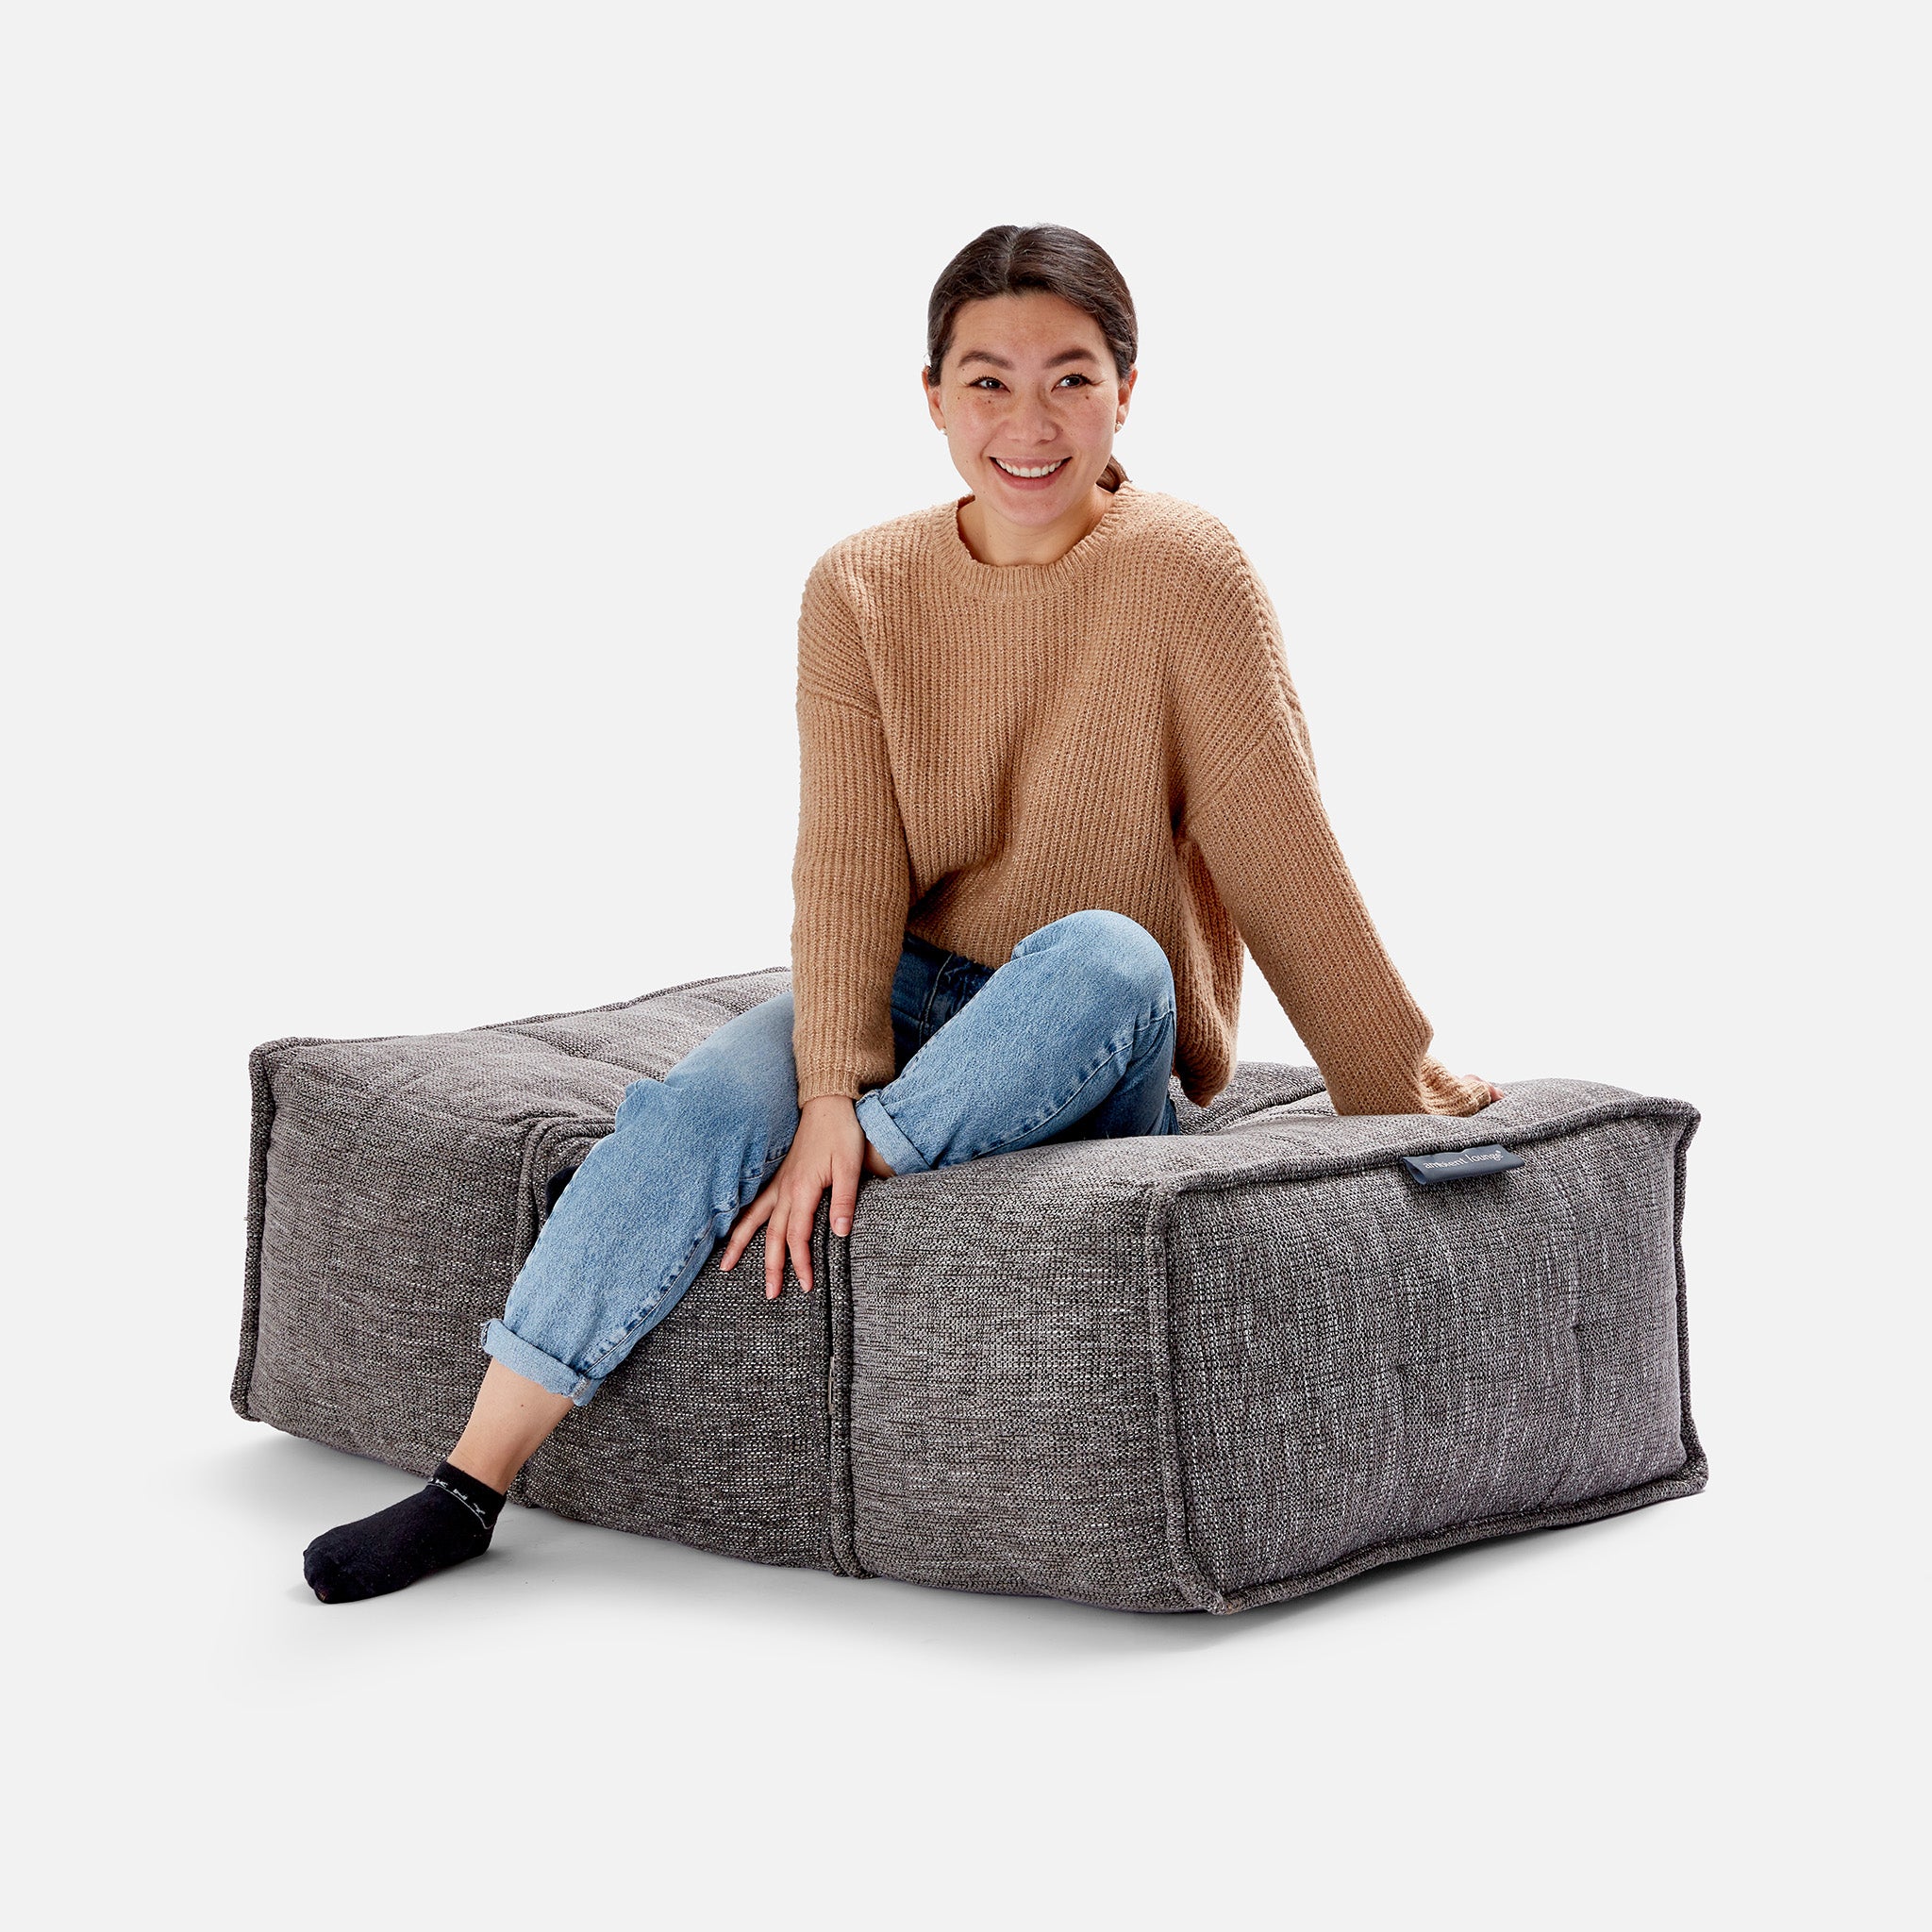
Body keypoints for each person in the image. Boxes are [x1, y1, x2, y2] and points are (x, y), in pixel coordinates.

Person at [300, 223, 1501, 1604]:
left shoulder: (1186, 568)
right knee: (693, 1113)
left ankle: (855, 1168)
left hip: (1084, 1035)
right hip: (910, 1001)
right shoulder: (861, 585)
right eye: (988, 382)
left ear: (1126, 392)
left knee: (1112, 952)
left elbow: (1277, 839)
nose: (1029, 424)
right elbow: (846, 867)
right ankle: (470, 1483)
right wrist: (825, 1090)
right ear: (932, 397)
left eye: (1070, 378)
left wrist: (1392, 1082)